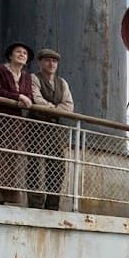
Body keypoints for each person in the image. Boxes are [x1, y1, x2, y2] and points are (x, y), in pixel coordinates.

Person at [0, 42, 35, 205]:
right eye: (18, 52)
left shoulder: (27, 77)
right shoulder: (0, 70)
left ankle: (8, 196)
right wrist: (18, 97)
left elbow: (30, 96)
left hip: (16, 123)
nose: (22, 55)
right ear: (10, 55)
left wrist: (22, 97)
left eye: (25, 53)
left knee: (13, 158)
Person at [28, 48, 73, 210]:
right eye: (47, 60)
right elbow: (36, 98)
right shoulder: (34, 78)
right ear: (40, 62)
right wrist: (54, 107)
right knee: (34, 163)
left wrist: (52, 109)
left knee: (58, 165)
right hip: (36, 126)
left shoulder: (62, 83)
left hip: (55, 129)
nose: (51, 64)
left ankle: (53, 203)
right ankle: (35, 202)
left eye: (54, 61)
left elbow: (69, 106)